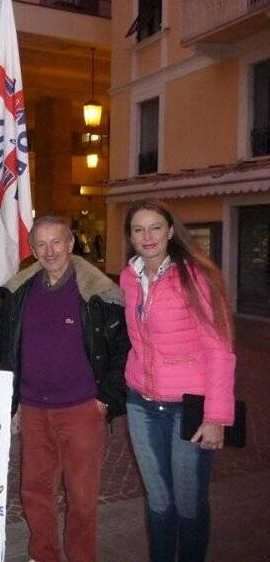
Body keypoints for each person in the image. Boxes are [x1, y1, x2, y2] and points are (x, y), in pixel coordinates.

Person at [0, 215, 130, 562]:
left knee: (82, 498)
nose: (49, 250)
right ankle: (44, 555)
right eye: (41, 244)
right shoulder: (21, 291)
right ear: (33, 249)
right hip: (34, 410)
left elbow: (121, 349)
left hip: (82, 409)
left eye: (57, 242)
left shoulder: (98, 293)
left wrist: (106, 400)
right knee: (34, 492)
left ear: (71, 244)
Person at [121, 200, 235, 562]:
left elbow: (220, 349)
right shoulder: (129, 276)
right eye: (138, 229)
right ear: (131, 237)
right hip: (141, 402)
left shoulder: (195, 277)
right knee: (157, 500)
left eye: (155, 227)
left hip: (189, 407)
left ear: (171, 232)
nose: (147, 236)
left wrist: (216, 417)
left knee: (188, 501)